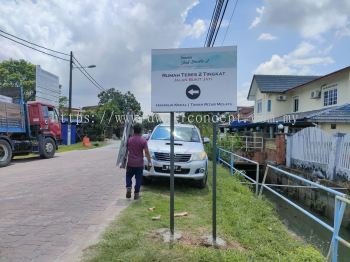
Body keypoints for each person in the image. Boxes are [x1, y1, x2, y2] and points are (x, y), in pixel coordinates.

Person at [126, 123, 152, 200]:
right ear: (140, 130)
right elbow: (146, 152)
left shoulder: (129, 140)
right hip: (139, 164)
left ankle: (128, 187)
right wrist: (149, 162)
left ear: (134, 130)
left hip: (130, 162)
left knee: (128, 176)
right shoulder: (143, 141)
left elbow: (125, 150)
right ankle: (136, 194)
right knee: (138, 179)